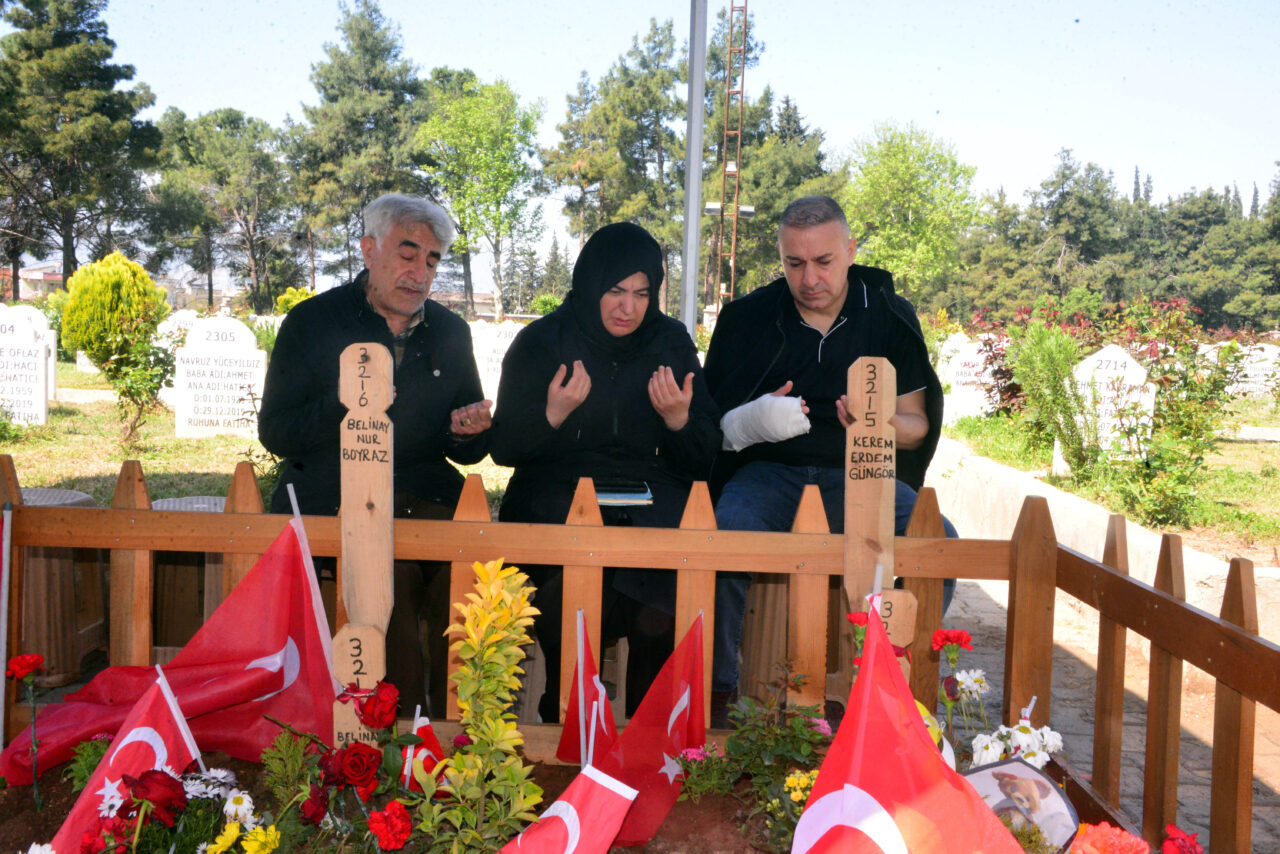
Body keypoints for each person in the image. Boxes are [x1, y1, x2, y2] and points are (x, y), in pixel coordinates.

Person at [703, 195, 956, 726]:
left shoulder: (888, 314)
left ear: (851, 250)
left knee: (938, 544)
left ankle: (891, 688)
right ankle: (719, 695)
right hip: (768, 472)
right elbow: (714, 425)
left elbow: (917, 426)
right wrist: (756, 416)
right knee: (722, 540)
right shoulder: (747, 318)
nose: (809, 279)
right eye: (794, 263)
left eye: (824, 261)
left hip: (861, 470)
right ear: (780, 256)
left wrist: (877, 422)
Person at [258, 192, 492, 717]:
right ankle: (403, 732)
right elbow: (276, 432)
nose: (419, 274)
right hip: (336, 493)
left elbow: (470, 449)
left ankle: (462, 726)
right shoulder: (313, 322)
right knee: (391, 579)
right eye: (408, 254)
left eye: (431, 261)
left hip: (425, 494)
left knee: (472, 579)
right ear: (368, 250)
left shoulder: (450, 333)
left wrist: (466, 430)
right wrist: (345, 404)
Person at [488, 222, 720, 722]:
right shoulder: (542, 341)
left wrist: (678, 421)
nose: (627, 308)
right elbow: (503, 448)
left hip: (650, 501)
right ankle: (567, 721)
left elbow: (705, 456)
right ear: (591, 285)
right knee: (569, 595)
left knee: (657, 598)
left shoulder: (669, 342)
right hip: (557, 497)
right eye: (615, 291)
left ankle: (647, 732)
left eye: (641, 293)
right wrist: (551, 415)